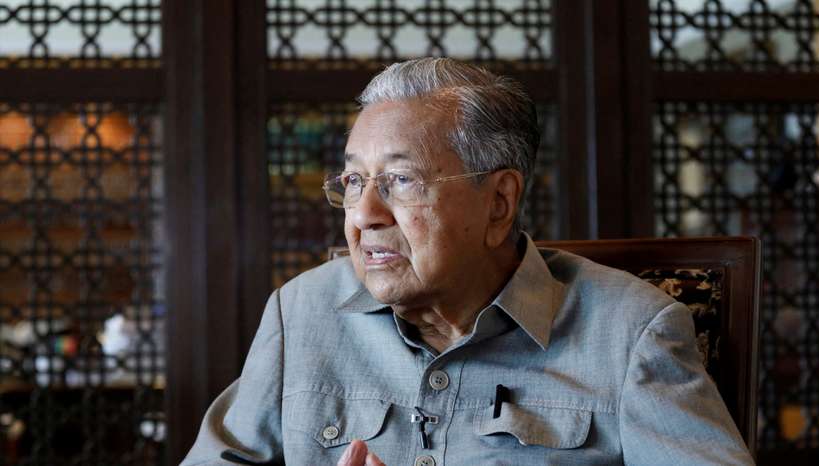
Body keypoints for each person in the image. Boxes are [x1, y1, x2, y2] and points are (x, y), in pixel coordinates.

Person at [181, 57, 753, 466]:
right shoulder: (302, 313)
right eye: (354, 181)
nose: (365, 214)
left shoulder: (631, 334)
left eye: (401, 180)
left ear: (499, 202)